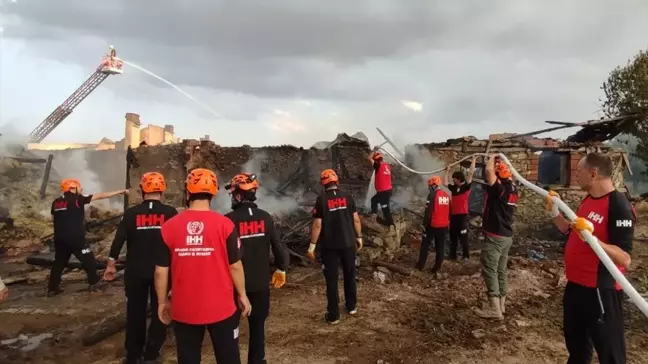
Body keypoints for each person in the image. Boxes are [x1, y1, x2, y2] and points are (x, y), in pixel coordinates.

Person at [153, 168, 251, 364]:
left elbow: (160, 272)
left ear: (187, 193)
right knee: (229, 358)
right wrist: (242, 294)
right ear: (213, 194)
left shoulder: (168, 227)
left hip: (184, 307)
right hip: (221, 306)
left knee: (188, 358)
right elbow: (236, 266)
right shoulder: (225, 225)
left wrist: (162, 302)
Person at [547, 153, 634, 364]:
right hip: (576, 287)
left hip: (600, 291)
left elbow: (625, 259)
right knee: (577, 349)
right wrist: (554, 212)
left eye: (579, 172)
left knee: (610, 354)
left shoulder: (619, 206)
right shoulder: (588, 200)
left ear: (593, 174)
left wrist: (594, 240)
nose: (575, 176)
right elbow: (572, 232)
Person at [104, 172, 178, 364]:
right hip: (162, 273)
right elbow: (177, 244)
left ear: (142, 190)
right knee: (161, 310)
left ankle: (133, 355)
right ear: (162, 190)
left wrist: (111, 264)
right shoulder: (170, 213)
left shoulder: (131, 214)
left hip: (135, 271)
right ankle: (152, 354)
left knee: (135, 313)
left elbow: (118, 241)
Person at [224, 173, 289, 364]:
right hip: (260, 283)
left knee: (231, 328)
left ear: (237, 195)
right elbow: (278, 247)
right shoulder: (265, 217)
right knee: (258, 325)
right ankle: (257, 360)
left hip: (234, 286)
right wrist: (281, 269)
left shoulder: (228, 220)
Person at [47, 179, 129, 297]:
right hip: (75, 238)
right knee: (89, 260)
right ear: (72, 188)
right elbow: (100, 196)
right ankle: (94, 283)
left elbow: (53, 219)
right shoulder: (77, 199)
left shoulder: (56, 202)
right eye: (79, 187)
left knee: (59, 263)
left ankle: (52, 288)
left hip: (59, 238)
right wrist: (120, 191)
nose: (82, 189)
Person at [308, 169, 363, 325]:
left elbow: (318, 224)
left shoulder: (321, 200)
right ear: (336, 182)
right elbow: (356, 220)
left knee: (331, 280)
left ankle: (334, 315)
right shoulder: (348, 197)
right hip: (348, 244)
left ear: (323, 184)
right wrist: (359, 237)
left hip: (329, 247)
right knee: (350, 275)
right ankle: (351, 306)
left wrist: (312, 246)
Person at [474, 155, 518, 319]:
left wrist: (492, 157)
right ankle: (501, 306)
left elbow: (488, 171)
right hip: (506, 236)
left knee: (490, 270)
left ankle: (494, 310)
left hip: (495, 236)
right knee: (501, 270)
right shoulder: (512, 186)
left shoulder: (501, 189)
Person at [416, 176, 451, 278]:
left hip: (433, 225)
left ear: (435, 185)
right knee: (440, 247)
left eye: (430, 186)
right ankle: (437, 268)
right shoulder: (447, 195)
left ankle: (420, 265)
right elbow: (450, 212)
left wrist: (424, 224)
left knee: (425, 245)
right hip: (444, 226)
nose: (429, 187)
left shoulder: (432, 195)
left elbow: (428, 212)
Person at [445, 157, 477, 261]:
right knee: (453, 237)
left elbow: (471, 173)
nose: (453, 180)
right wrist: (447, 170)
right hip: (454, 216)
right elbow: (445, 183)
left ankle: (466, 256)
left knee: (463, 237)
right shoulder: (454, 188)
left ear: (459, 179)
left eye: (454, 178)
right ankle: (452, 255)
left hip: (462, 216)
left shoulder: (466, 187)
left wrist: (474, 160)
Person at [368, 151, 395, 231]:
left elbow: (369, 158)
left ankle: (390, 223)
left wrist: (374, 150)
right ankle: (374, 216)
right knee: (374, 200)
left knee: (385, 208)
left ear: (375, 160)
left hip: (383, 192)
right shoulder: (387, 165)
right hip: (387, 190)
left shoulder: (378, 165)